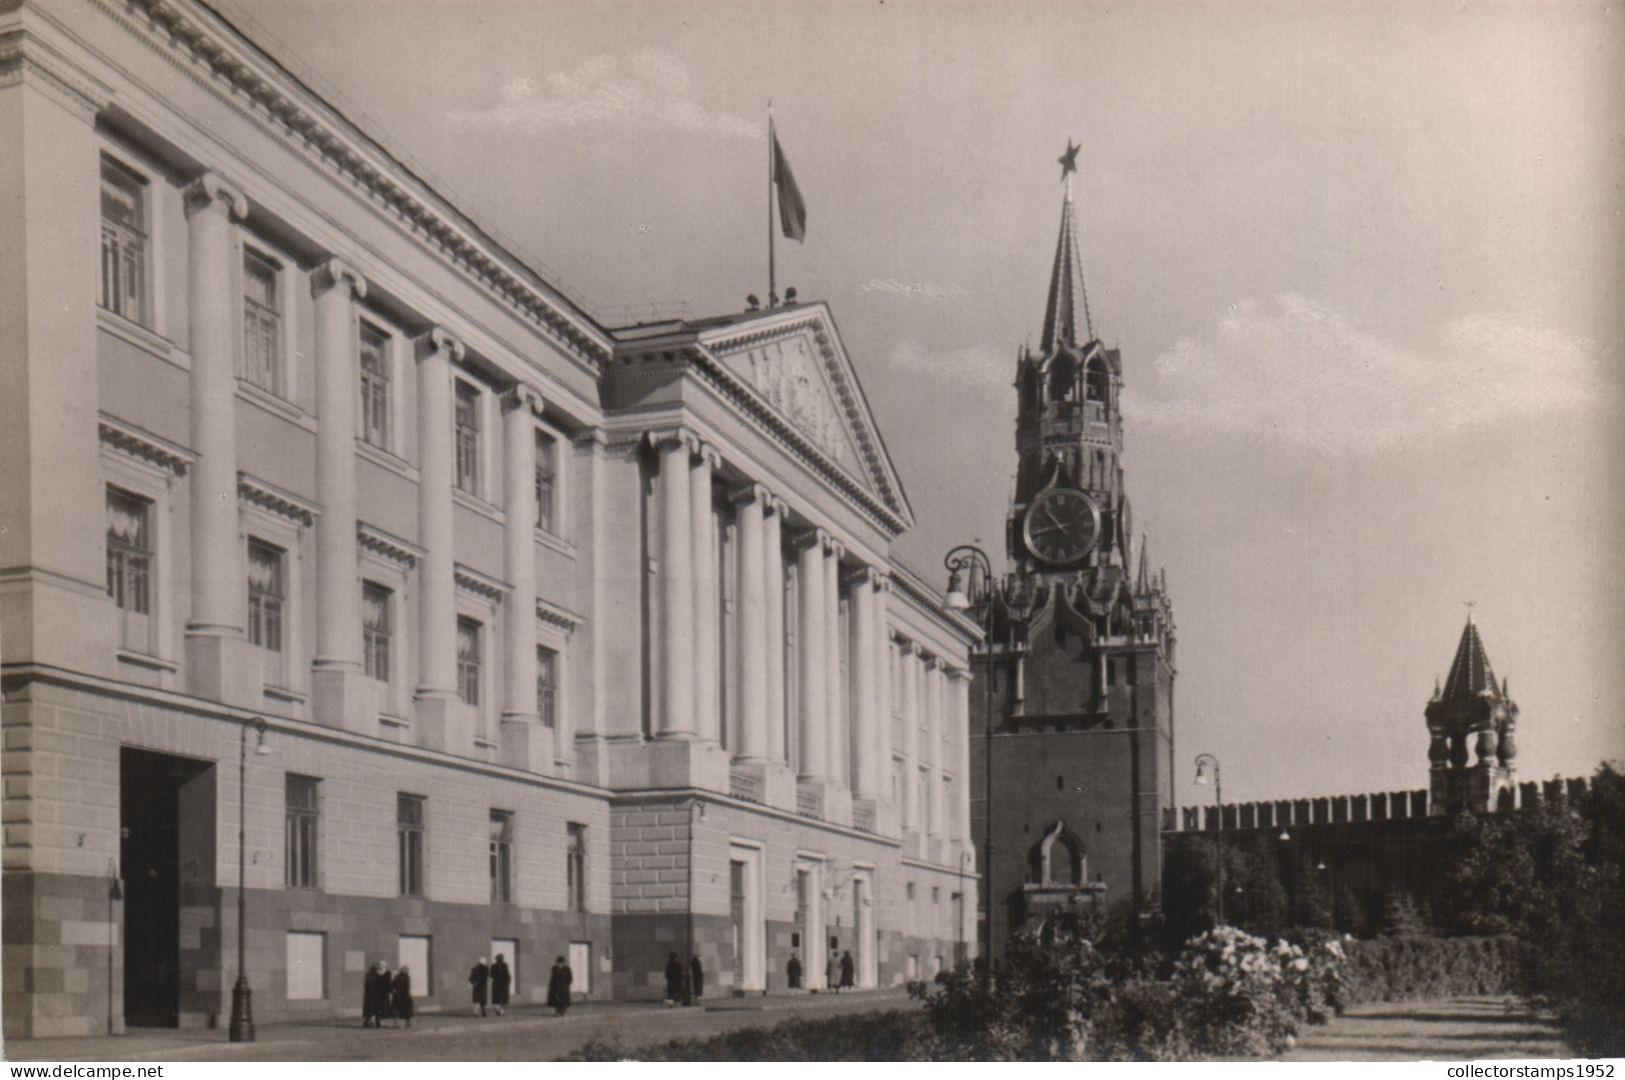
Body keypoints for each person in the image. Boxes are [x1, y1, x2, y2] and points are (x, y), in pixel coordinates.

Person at [362, 959, 390, 1027]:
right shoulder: (378, 974)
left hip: (371, 994)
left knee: (373, 1008)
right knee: (377, 1008)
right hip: (378, 994)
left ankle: (372, 1021)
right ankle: (376, 1022)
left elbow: (366, 984)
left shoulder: (370, 974)